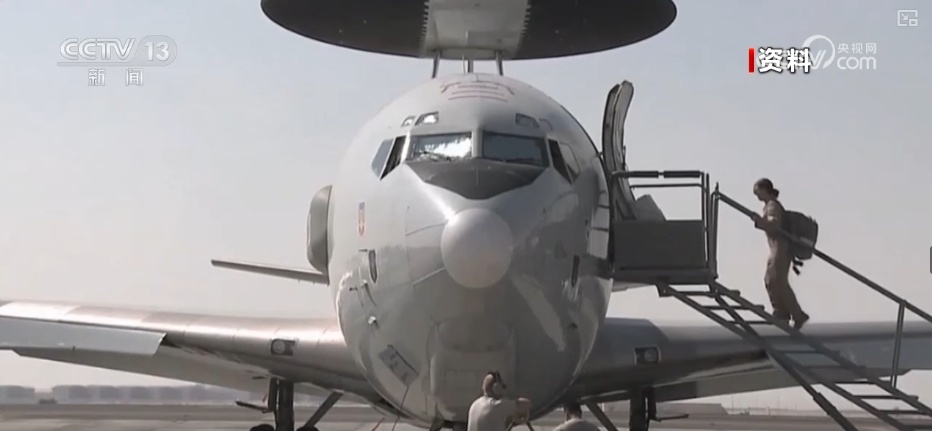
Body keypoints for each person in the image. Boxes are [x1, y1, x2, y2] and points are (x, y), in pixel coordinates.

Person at [752, 178, 810, 329]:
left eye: (758, 191)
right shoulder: (770, 205)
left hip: (780, 248)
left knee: (778, 281)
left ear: (765, 189)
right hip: (776, 248)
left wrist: (759, 221)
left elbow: (774, 224)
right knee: (771, 280)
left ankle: (796, 314)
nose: (756, 195)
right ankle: (782, 312)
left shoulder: (772, 206)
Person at [467, 372, 531, 431]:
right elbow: (527, 403)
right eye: (503, 387)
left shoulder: (474, 404)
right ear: (497, 388)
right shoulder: (495, 405)